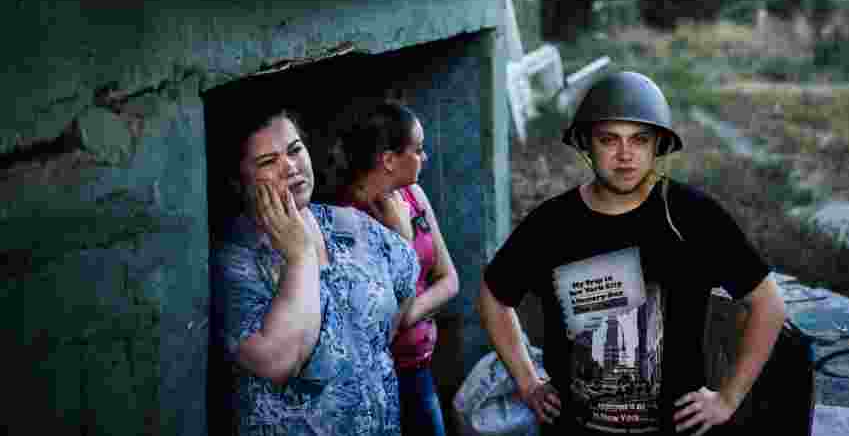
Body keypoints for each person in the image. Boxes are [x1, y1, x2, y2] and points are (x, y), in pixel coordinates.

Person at [477, 71, 787, 436]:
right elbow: (492, 297)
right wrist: (528, 382)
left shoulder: (693, 216)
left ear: (658, 145)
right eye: (609, 140)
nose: (625, 155)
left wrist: (727, 399)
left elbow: (769, 305)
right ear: (587, 144)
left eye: (639, 140)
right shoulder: (552, 223)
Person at [211, 107, 420, 436]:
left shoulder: (349, 225)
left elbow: (404, 286)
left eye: (295, 150)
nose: (290, 167)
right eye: (268, 162)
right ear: (239, 183)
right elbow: (279, 361)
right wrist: (300, 256)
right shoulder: (235, 261)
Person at [330, 101, 459, 436]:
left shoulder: (413, 195)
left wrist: (407, 315)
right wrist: (400, 238)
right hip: (372, 378)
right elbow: (374, 325)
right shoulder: (345, 219)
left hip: (419, 366)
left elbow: (450, 281)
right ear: (388, 160)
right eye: (417, 150)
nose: (425, 157)